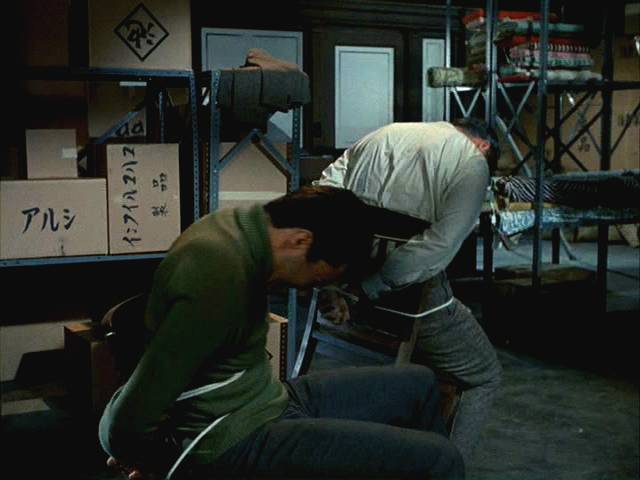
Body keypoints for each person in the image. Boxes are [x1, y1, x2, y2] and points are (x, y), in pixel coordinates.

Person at [98, 186, 464, 480]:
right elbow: (129, 415)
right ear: (301, 241)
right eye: (321, 276)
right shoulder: (219, 277)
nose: (313, 286)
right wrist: (146, 461)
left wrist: (329, 288)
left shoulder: (249, 226)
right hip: (235, 436)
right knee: (441, 460)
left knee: (419, 384)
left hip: (264, 398)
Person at [316, 118, 503, 464]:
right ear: (483, 146)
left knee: (425, 370)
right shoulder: (471, 163)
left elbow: (321, 199)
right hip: (404, 303)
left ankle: (411, 452)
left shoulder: (384, 133)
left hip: (349, 290)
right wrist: (366, 288)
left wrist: (331, 282)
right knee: (483, 374)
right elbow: (436, 249)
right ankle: (445, 469)